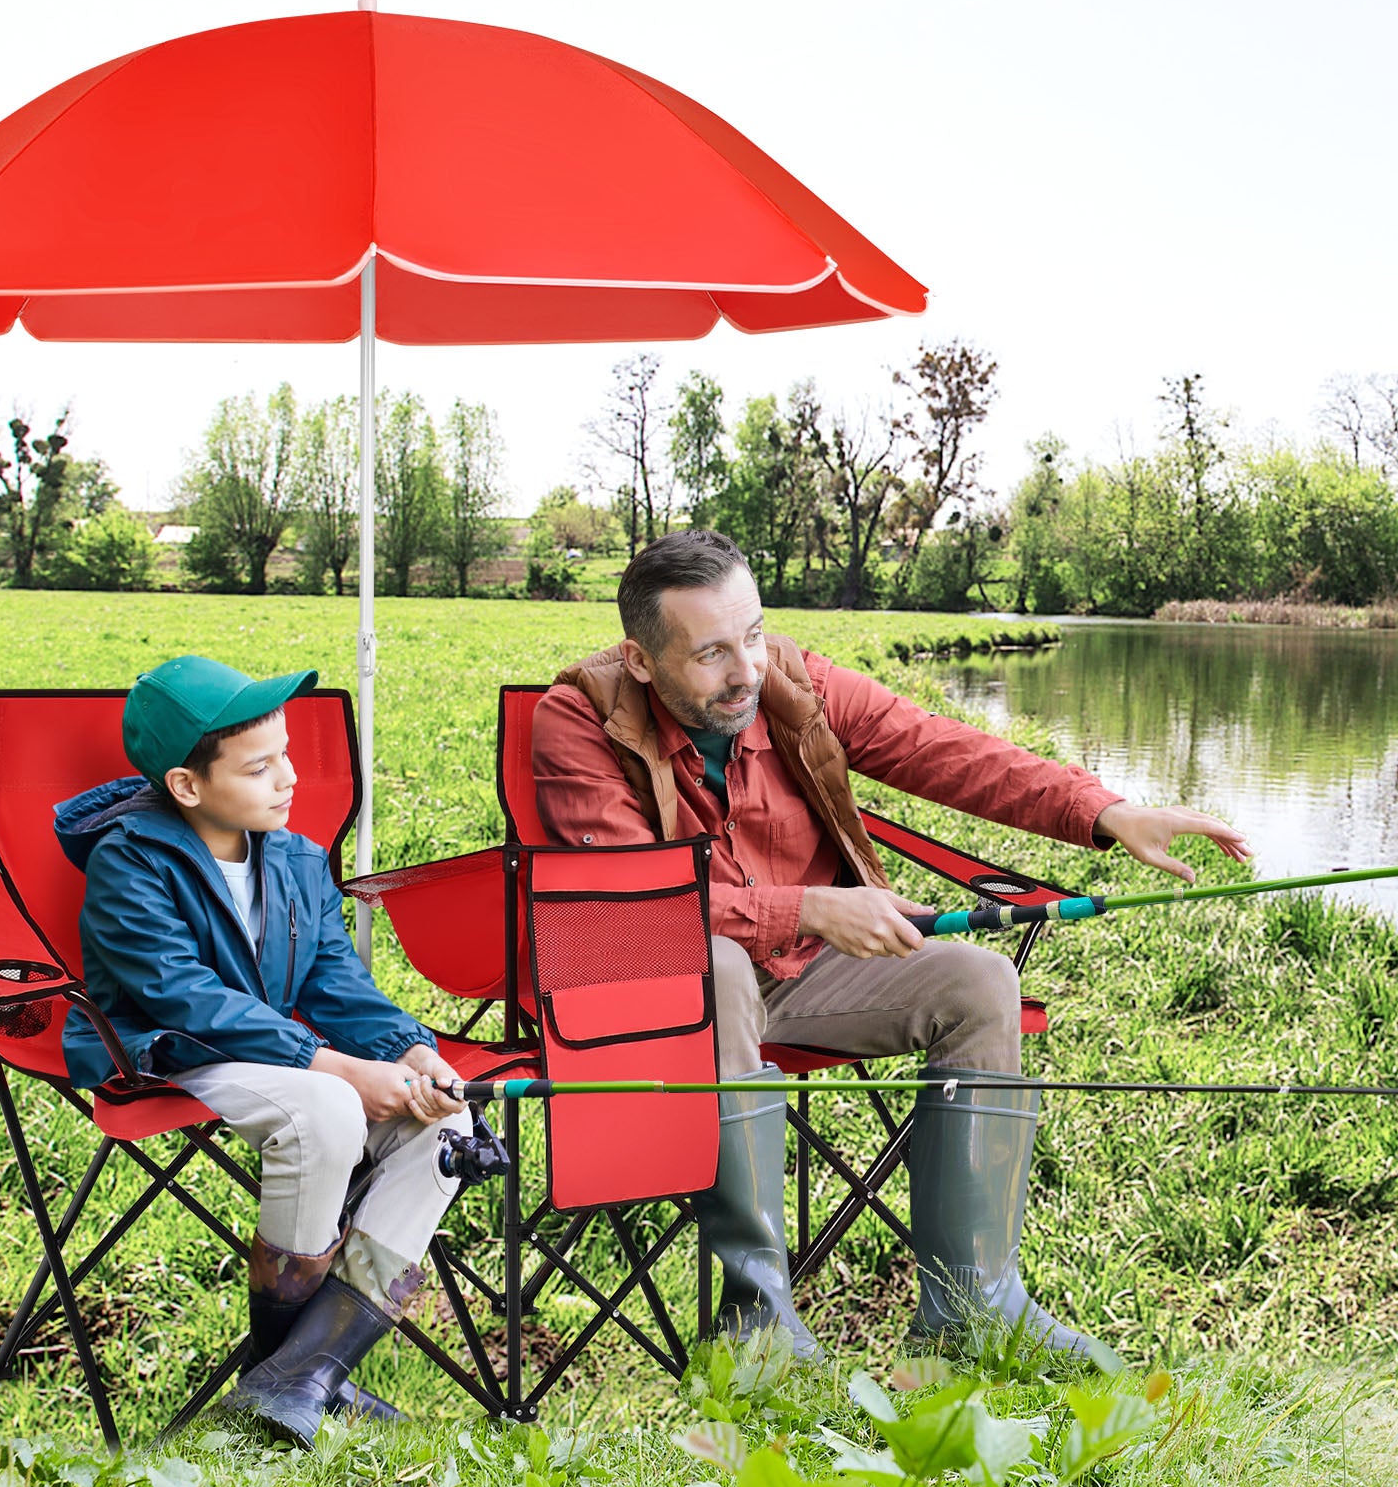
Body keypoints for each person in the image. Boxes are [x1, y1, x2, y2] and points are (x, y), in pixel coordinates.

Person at [531, 530, 1250, 1361]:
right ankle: (756, 1325)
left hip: (799, 973)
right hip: (658, 987)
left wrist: (1103, 811)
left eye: (755, 635)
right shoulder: (579, 718)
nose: (747, 672)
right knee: (719, 966)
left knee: (979, 984)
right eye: (713, 654)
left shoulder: (794, 684)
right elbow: (641, 908)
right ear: (643, 659)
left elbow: (940, 748)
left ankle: (973, 1307)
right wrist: (810, 909)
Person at [55, 654, 469, 1445]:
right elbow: (182, 994)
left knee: (447, 1131)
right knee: (325, 1107)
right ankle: (291, 1379)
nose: (288, 778)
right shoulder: (129, 862)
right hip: (165, 1048)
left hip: (274, 1051)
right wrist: (334, 1066)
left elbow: (332, 980)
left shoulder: (295, 858)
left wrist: (410, 1050)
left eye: (286, 754)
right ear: (187, 785)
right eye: (259, 766)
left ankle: (301, 1376)